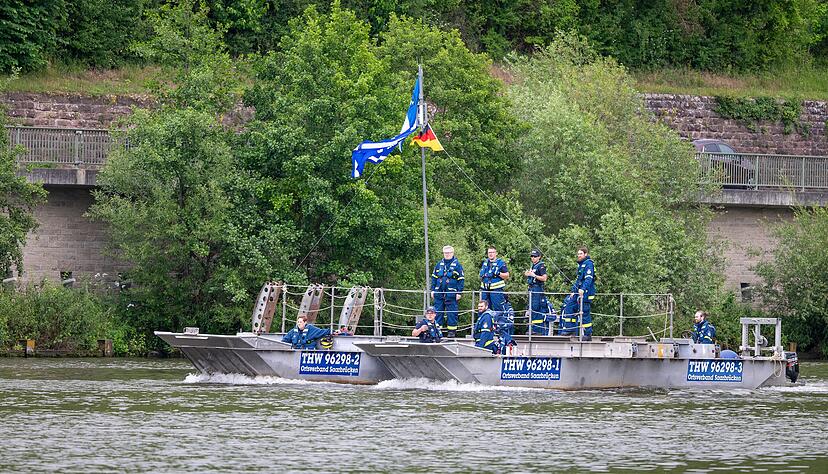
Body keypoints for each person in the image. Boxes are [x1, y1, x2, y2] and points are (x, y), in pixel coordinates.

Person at [431, 245, 465, 337]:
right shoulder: (438, 265)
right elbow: (434, 278)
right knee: (438, 313)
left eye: (449, 253)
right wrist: (432, 290)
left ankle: (452, 332)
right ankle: (437, 330)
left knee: (452, 313)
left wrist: (459, 292)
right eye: (445, 253)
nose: (447, 254)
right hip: (439, 293)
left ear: (452, 253)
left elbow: (461, 280)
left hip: (451, 293)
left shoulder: (458, 266)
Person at [569, 246, 596, 341]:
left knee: (584, 313)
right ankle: (570, 330)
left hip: (586, 293)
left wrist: (583, 289)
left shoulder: (589, 264)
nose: (579, 255)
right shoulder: (581, 265)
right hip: (579, 292)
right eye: (578, 254)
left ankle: (588, 334)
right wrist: (573, 291)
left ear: (585, 254)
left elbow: (588, 279)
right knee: (570, 306)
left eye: (580, 254)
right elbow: (578, 280)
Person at [525, 248, 551, 335]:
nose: (533, 258)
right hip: (531, 289)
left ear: (539, 257)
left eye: (535, 256)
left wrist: (534, 275)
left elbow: (544, 278)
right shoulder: (533, 265)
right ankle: (533, 328)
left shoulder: (541, 266)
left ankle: (536, 330)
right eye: (532, 256)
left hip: (537, 289)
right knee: (531, 308)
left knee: (536, 308)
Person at [479, 246, 510, 313]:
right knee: (483, 309)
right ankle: (486, 322)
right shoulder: (485, 263)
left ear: (496, 253)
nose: (491, 254)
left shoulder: (501, 263)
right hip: (485, 290)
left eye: (492, 252)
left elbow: (507, 275)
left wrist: (498, 273)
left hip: (496, 290)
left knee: (498, 309)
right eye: (489, 252)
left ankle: (499, 323)